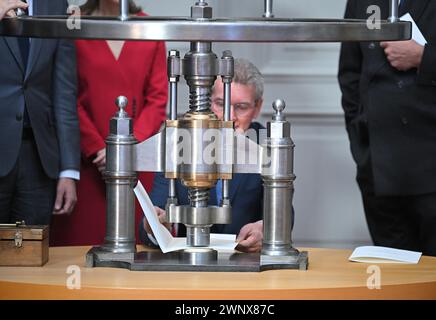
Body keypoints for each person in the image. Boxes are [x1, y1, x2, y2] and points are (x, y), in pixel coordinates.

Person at [50, 0, 167, 246]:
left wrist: (126, 148)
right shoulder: (75, 22)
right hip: (86, 163)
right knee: (78, 250)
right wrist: (96, 148)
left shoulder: (150, 26)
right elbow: (64, 94)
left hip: (135, 163)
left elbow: (158, 98)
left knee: (136, 249)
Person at [338, 0, 436, 258]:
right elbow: (350, 74)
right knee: (394, 277)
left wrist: (424, 58)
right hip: (379, 167)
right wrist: (360, 143)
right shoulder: (361, 2)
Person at [140, 59, 267, 253]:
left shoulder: (265, 146)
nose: (229, 117)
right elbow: (152, 217)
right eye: (220, 103)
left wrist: (265, 228)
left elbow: (283, 215)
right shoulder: (177, 142)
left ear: (257, 107)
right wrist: (154, 225)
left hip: (245, 266)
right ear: (206, 102)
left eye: (241, 107)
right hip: (186, 265)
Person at [0, 0, 79, 225]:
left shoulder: (55, 4)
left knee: (32, 255)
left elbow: (64, 90)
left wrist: (69, 169)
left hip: (39, 158)